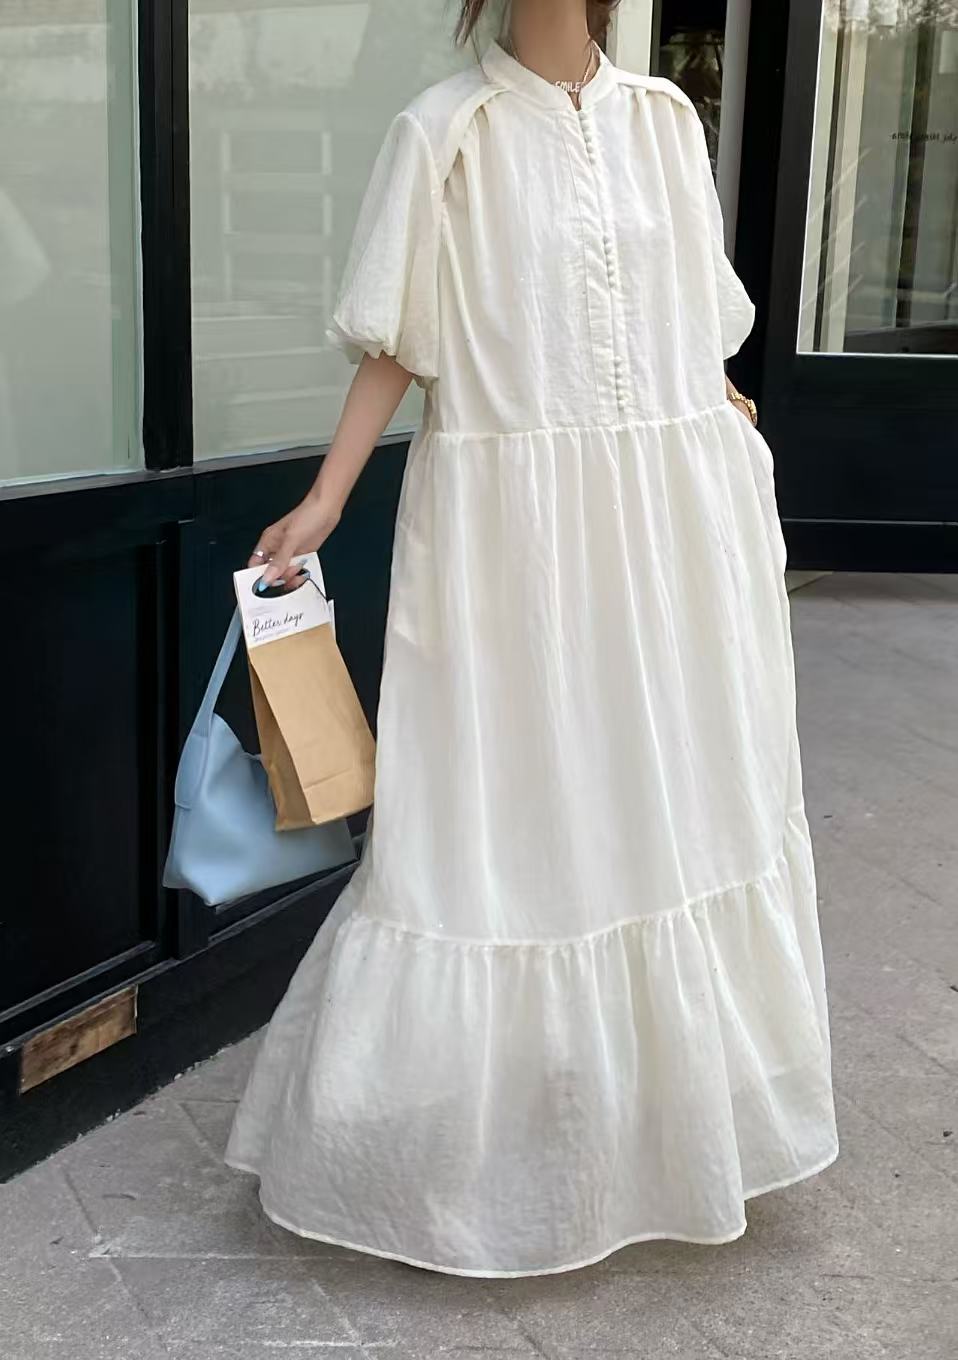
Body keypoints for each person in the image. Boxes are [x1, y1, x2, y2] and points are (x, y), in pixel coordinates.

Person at [225, 0, 839, 1278]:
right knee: (502, 824)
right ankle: (472, 1157)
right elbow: (397, 339)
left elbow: (689, 318)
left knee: (675, 804)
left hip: (676, 525)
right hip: (514, 532)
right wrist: (328, 497)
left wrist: (726, 421)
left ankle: (670, 1117)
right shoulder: (444, 130)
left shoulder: (664, 121)